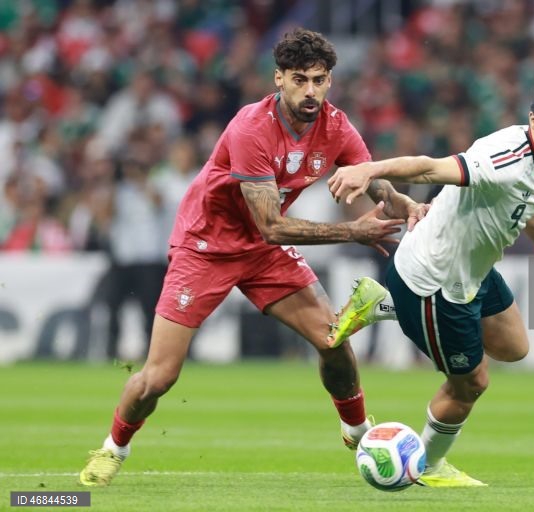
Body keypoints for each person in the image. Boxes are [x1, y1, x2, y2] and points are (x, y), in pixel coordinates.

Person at [79, 28, 427, 487]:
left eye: (319, 80)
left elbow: (370, 178)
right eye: (300, 80)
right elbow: (272, 225)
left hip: (263, 253)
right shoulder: (251, 127)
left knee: (332, 340)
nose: (310, 91)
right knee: (160, 376)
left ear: (329, 81)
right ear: (278, 78)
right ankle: (113, 449)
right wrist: (353, 232)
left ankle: (359, 433)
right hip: (206, 247)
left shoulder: (336, 125)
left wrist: (404, 205)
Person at [327, 75, 534, 487]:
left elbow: (529, 203)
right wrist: (369, 169)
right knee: (471, 383)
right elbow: (431, 167)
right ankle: (427, 467)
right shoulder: (503, 158)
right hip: (434, 281)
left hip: (472, 271)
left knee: (515, 347)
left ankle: (384, 303)